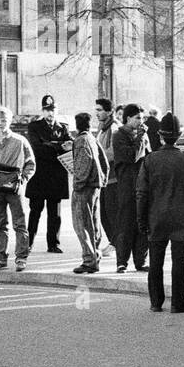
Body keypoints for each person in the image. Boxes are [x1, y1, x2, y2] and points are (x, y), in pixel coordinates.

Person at [137, 113, 184, 314]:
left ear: (159, 135)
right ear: (178, 137)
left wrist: (141, 219)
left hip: (156, 217)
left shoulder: (149, 160)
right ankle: (178, 302)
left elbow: (141, 193)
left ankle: (156, 302)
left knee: (155, 262)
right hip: (181, 217)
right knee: (179, 260)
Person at [0, 104, 36, 272]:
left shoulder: (20, 141)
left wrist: (22, 180)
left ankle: (21, 258)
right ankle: (0, 257)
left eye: (4, 120)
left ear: (9, 121)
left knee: (19, 223)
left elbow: (30, 164)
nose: (1, 123)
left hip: (14, 188)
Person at [25, 95, 72, 254]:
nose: (50, 113)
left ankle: (53, 244)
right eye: (47, 110)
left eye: (52, 110)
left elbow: (70, 145)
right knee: (35, 211)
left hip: (56, 176)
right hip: (39, 175)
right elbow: (37, 148)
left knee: (55, 213)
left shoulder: (63, 127)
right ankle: (28, 242)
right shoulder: (34, 126)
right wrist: (59, 146)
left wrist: (51, 145)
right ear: (42, 111)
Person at [112, 104, 150, 274]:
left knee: (142, 223)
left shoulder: (142, 135)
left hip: (143, 185)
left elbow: (148, 157)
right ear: (128, 119)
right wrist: (141, 138)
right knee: (126, 224)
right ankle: (122, 262)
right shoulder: (119, 136)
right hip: (127, 186)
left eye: (142, 118)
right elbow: (133, 156)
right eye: (138, 118)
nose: (141, 122)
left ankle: (140, 261)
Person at [70, 111, 108, 275]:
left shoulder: (80, 140)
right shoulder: (92, 138)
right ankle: (95, 255)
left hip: (84, 187)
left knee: (82, 225)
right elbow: (104, 161)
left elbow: (84, 163)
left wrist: (78, 184)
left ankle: (88, 260)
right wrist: (103, 180)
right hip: (95, 186)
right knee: (94, 224)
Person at [96, 98, 119, 256]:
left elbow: (112, 151)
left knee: (111, 214)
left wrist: (96, 156)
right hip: (104, 179)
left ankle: (116, 244)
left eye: (100, 110)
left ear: (109, 111)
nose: (97, 113)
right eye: (96, 110)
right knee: (104, 215)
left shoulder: (114, 128)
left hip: (113, 179)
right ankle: (114, 242)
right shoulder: (103, 128)